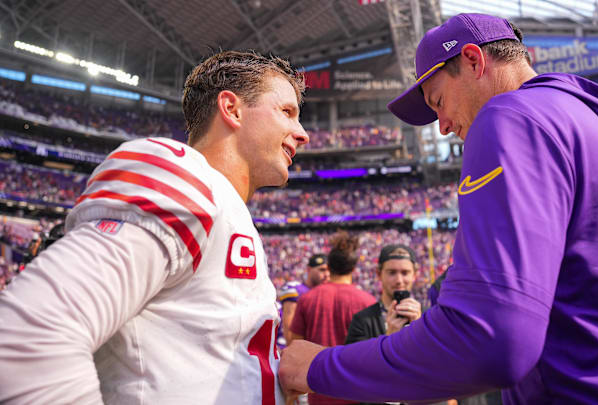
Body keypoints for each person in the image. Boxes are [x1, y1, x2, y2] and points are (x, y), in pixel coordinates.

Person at [279, 13, 598, 404]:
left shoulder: (510, 115)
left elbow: (491, 340)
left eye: (438, 102)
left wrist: (319, 366)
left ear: (473, 61)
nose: (446, 125)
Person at [0, 50, 309, 404]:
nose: (302, 134)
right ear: (232, 109)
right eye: (287, 112)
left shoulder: (224, 209)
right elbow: (35, 332)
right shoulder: (185, 180)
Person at [289, 231, 376, 405]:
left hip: (318, 392)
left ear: (329, 267)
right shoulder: (368, 301)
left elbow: (295, 344)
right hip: (355, 394)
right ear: (353, 268)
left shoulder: (307, 299)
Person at [345, 244, 422, 345]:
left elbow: (435, 358)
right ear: (379, 274)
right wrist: (389, 338)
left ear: (414, 275)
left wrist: (421, 329)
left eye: (405, 273)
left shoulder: (427, 316)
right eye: (392, 272)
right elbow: (354, 359)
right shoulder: (362, 320)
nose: (399, 280)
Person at [278, 253, 330, 346]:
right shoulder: (296, 289)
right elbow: (290, 337)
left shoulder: (325, 292)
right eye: (322, 270)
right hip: (290, 350)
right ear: (309, 270)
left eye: (329, 270)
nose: (327, 274)